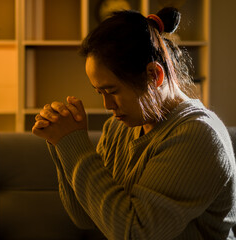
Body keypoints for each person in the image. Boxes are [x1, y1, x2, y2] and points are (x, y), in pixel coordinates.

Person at [32, 7, 236, 240]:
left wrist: (75, 144)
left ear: (154, 75)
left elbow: (135, 233)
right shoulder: (119, 127)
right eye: (99, 92)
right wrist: (61, 143)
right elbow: (86, 217)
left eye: (112, 91)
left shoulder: (198, 135)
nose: (107, 105)